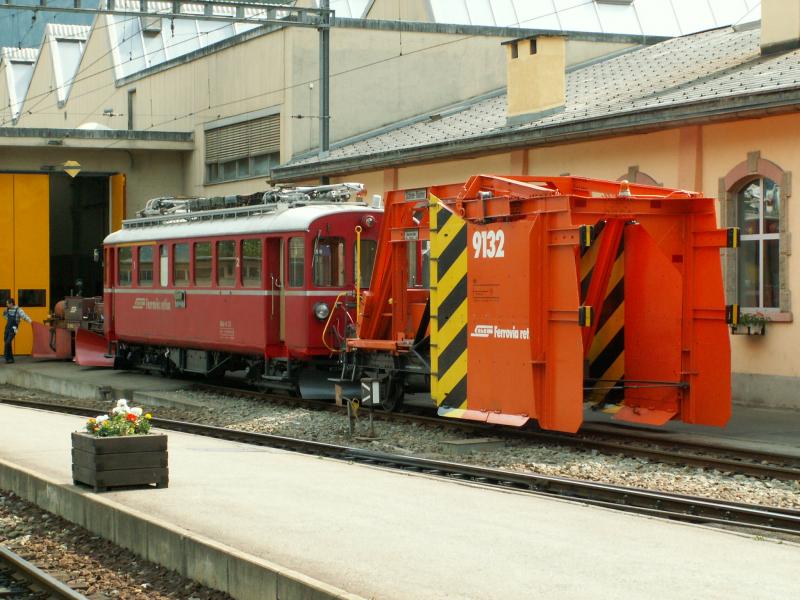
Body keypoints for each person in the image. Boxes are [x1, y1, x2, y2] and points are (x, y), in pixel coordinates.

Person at [3, 298, 32, 364]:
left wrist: (31, 321)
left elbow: (24, 316)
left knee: (8, 342)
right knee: (7, 343)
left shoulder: (18, 310)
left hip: (14, 328)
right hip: (7, 328)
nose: (6, 304)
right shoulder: (7, 309)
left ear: (11, 303)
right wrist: (7, 317)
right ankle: (10, 359)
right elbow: (4, 315)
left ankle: (8, 358)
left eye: (7, 303)